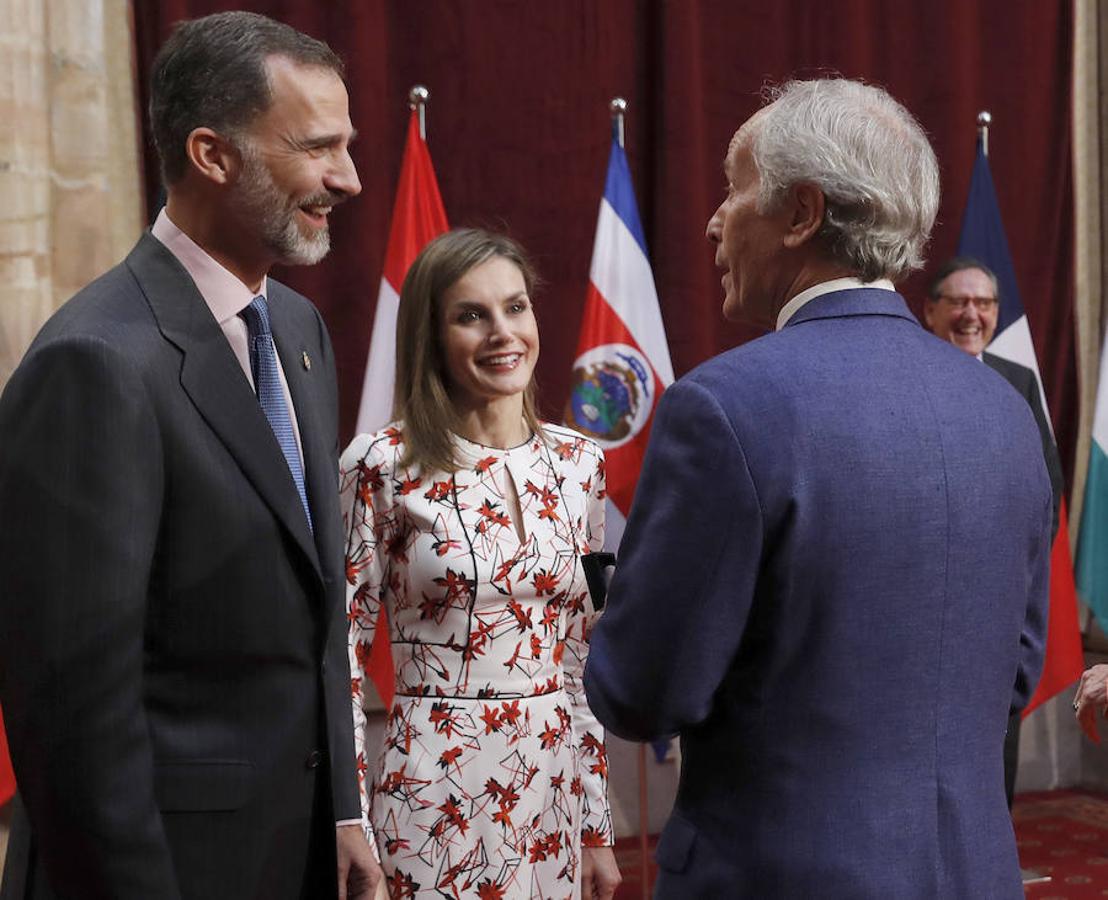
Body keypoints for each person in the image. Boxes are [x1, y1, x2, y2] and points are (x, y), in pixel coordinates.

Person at [583, 79, 1052, 897]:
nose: (714, 221)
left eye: (734, 190)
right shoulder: (1007, 412)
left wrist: (617, 622)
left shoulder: (723, 409)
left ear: (801, 212)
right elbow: (1015, 673)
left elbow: (641, 694)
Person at [0, 12, 377, 900]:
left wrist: (341, 811)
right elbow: (75, 716)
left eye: (348, 146)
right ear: (212, 155)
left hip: (295, 851)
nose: (349, 179)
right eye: (318, 148)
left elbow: (314, 608)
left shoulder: (298, 329)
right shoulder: (94, 363)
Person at [341, 228, 621, 899]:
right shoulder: (380, 464)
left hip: (552, 792)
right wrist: (349, 817)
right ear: (431, 336)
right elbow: (340, 653)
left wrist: (596, 825)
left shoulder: (581, 464)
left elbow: (581, 656)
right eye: (472, 315)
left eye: (515, 307)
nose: (503, 333)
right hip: (433, 792)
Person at [924, 255, 1065, 808]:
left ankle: (990, 840)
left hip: (998, 599)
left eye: (983, 303)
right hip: (923, 594)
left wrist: (1016, 571)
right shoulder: (908, 376)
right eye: (958, 302)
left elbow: (1045, 488)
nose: (971, 314)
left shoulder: (1018, 381)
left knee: (995, 730)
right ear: (930, 311)